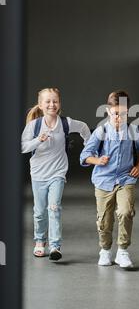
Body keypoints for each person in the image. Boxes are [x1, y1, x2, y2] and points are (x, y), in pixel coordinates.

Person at [80, 90, 139, 269]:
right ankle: (105, 250)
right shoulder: (101, 131)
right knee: (104, 219)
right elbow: (85, 155)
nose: (120, 117)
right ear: (108, 111)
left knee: (126, 211)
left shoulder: (133, 130)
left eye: (124, 113)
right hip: (104, 180)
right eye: (116, 113)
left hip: (126, 179)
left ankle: (123, 251)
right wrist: (97, 160)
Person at [21, 87, 91, 261]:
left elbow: (83, 127)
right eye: (48, 101)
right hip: (38, 174)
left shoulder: (66, 123)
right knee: (39, 212)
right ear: (40, 105)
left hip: (58, 173)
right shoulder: (34, 126)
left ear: (59, 104)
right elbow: (22, 147)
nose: (52, 104)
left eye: (55, 101)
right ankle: (39, 241)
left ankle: (55, 245)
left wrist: (89, 147)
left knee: (54, 208)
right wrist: (39, 140)